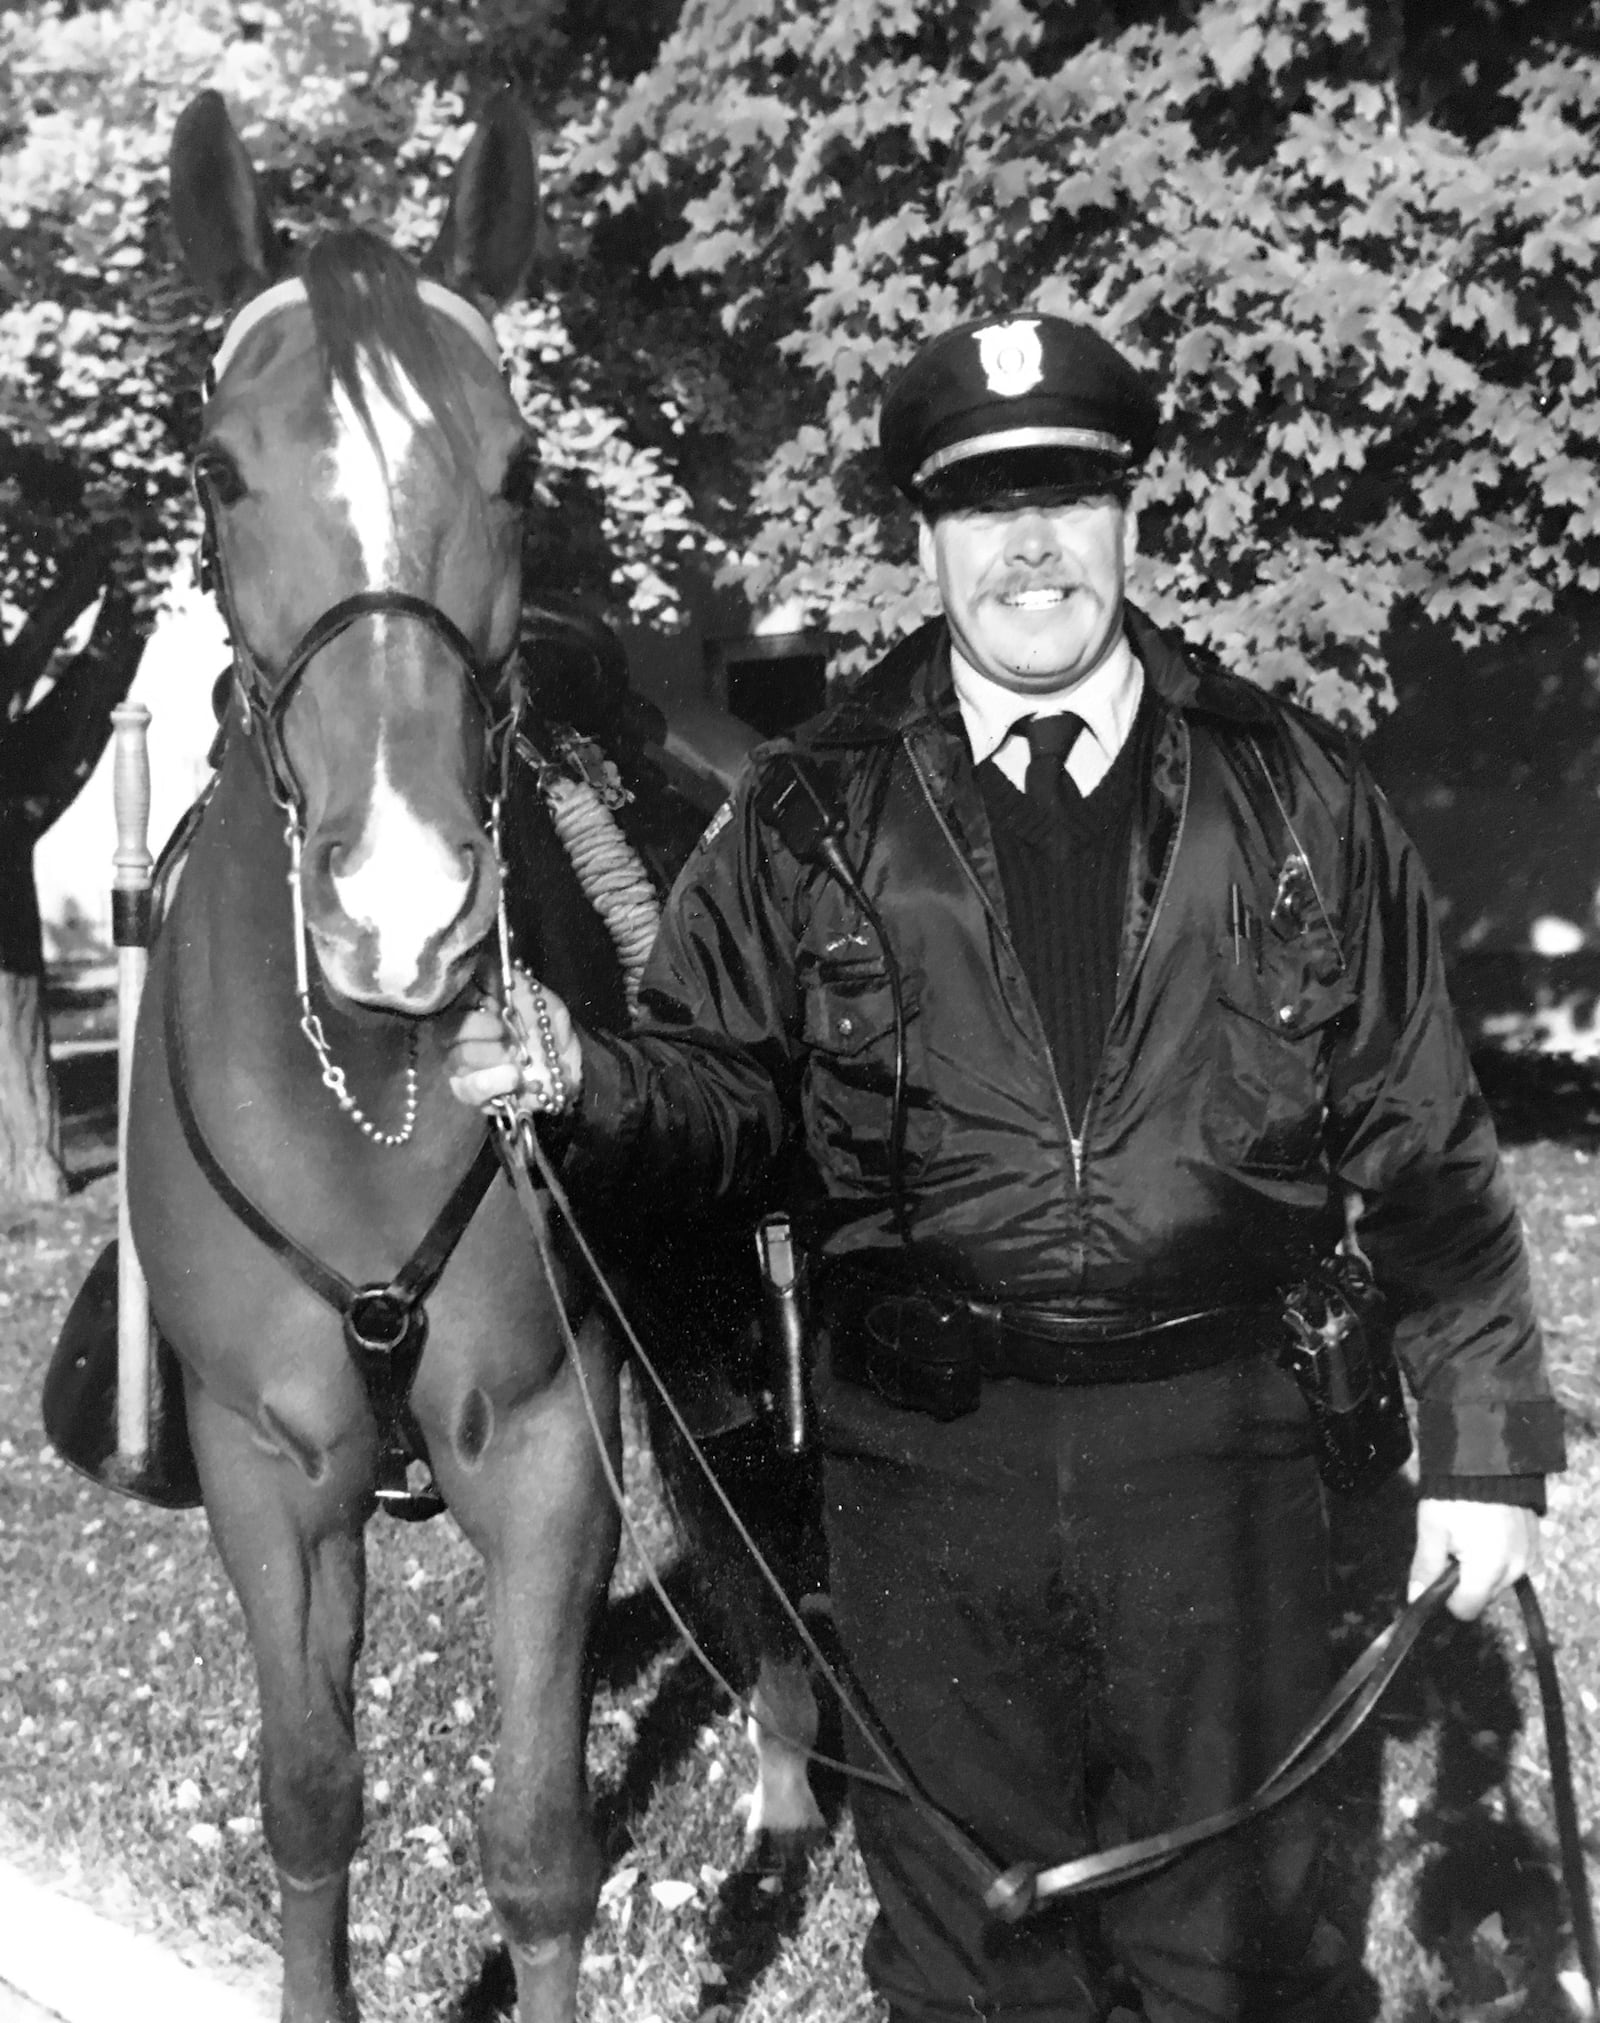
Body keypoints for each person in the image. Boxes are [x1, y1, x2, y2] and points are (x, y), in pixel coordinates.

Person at [448, 312, 1564, 2023]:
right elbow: (720, 1097)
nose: (1032, 545)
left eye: (1070, 495)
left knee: (1237, 1949)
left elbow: (1427, 1140)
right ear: (928, 538)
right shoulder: (810, 809)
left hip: (1229, 1462)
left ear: (1129, 514)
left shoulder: (1294, 790)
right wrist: (583, 1075)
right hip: (928, 1473)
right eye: (987, 506)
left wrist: (1484, 1448)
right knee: (975, 1954)